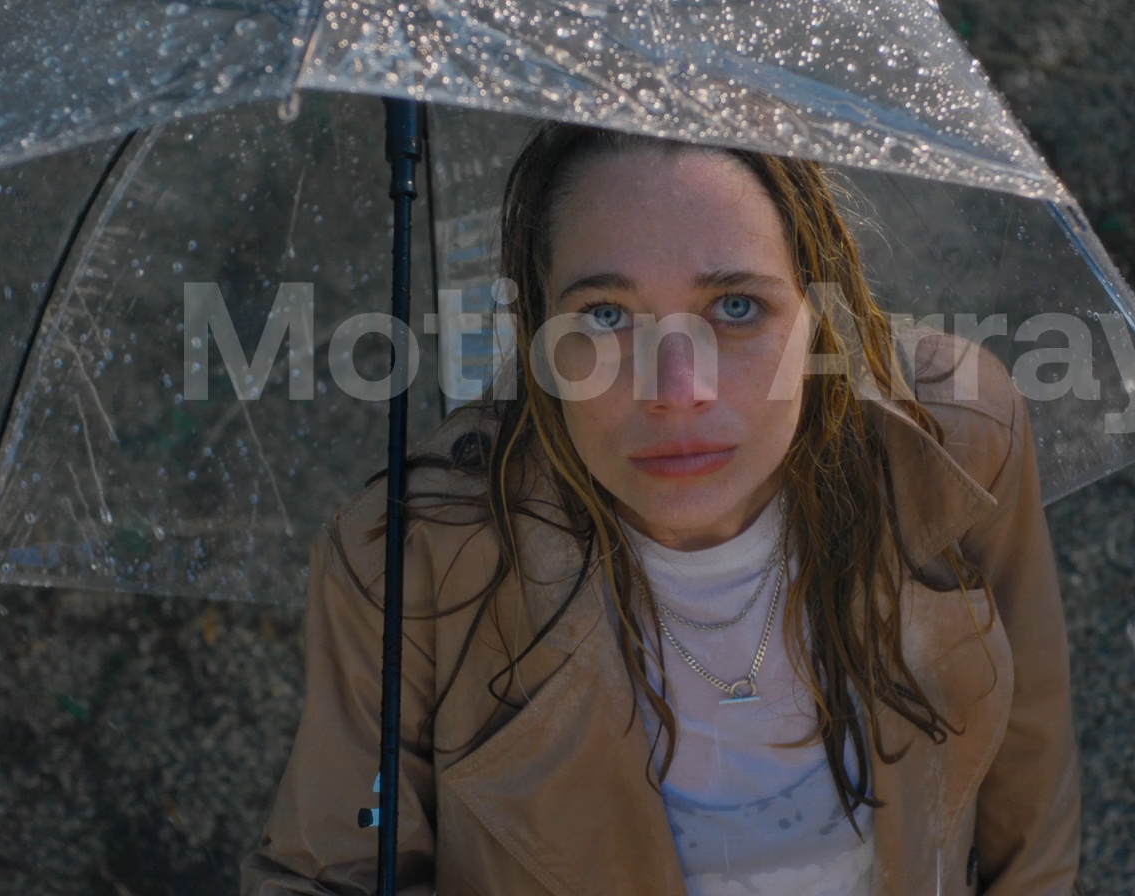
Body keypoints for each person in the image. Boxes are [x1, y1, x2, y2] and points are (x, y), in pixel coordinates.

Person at [240, 122, 1081, 895]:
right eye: (606, 315)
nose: (678, 390)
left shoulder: (955, 439)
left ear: (817, 315)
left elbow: (1027, 787)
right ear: (538, 334)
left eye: (737, 308)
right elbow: (324, 872)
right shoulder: (412, 561)